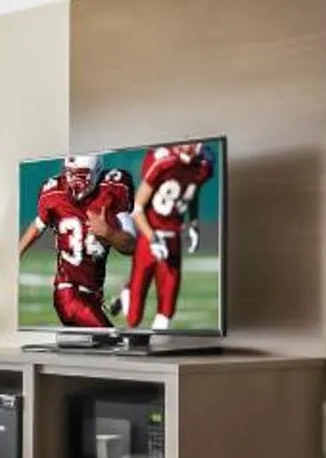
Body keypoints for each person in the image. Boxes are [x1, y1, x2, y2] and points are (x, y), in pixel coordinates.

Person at [18, 155, 132, 328]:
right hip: (69, 294)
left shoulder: (112, 190)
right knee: (111, 339)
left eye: (81, 174)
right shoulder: (54, 193)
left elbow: (130, 245)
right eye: (70, 173)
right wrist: (16, 254)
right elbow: (38, 224)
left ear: (97, 172)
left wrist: (109, 233)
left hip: (92, 295)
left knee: (94, 343)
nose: (73, 180)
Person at [121, 141, 212, 330]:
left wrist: (193, 223)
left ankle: (158, 344)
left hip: (173, 239)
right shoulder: (163, 162)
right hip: (149, 238)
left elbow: (191, 193)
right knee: (133, 319)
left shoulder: (202, 166)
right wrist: (153, 238)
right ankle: (127, 291)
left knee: (167, 311)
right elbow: (137, 209)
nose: (193, 147)